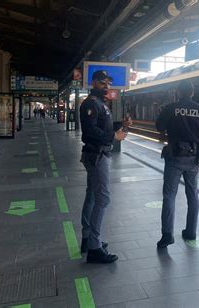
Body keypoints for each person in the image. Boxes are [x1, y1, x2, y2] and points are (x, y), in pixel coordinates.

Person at [155, 80, 199, 248]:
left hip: (174, 156)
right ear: (192, 92)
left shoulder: (171, 108)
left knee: (169, 195)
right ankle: (191, 231)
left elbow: (159, 127)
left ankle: (167, 235)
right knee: (192, 194)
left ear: (178, 92)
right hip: (194, 157)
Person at [79, 70, 131, 263]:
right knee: (103, 199)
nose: (107, 86)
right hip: (97, 155)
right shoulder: (90, 104)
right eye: (102, 83)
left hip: (98, 154)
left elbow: (104, 125)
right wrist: (113, 137)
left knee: (92, 195)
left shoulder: (101, 104)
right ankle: (94, 246)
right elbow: (90, 131)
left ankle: (88, 238)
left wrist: (120, 124)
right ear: (93, 83)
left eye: (108, 83)